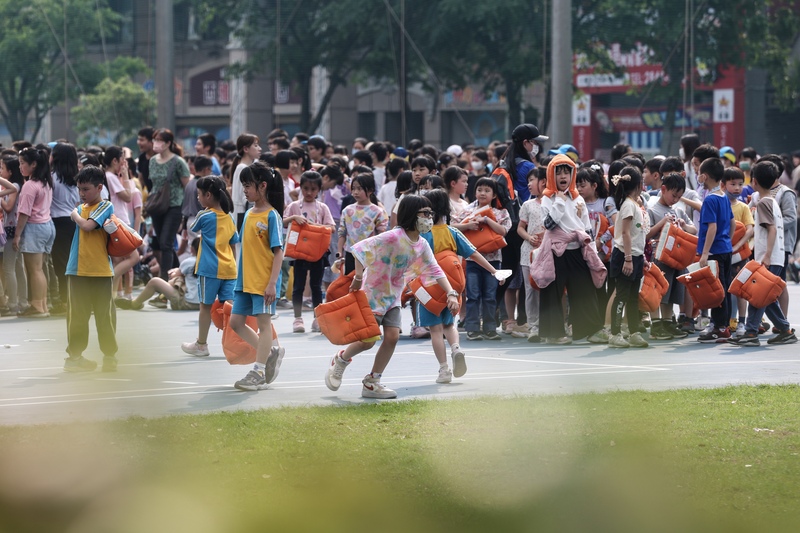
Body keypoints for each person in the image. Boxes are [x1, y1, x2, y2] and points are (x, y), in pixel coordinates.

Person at [324, 195, 460, 399]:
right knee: (368, 341)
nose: (429, 218)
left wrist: (451, 293)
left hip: (393, 297)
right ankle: (341, 360)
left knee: (392, 337)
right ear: (411, 215)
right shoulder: (393, 237)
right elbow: (360, 249)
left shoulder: (422, 244)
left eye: (430, 214)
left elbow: (435, 269)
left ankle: (372, 381)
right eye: (425, 213)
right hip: (372, 295)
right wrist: (359, 277)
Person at [418, 189, 502, 382]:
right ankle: (456, 348)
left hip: (430, 286)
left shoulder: (424, 235)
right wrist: (493, 271)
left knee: (435, 330)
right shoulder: (453, 232)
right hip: (452, 287)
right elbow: (474, 253)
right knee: (449, 324)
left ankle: (444, 369)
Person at [537, 154, 606, 344]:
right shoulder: (547, 199)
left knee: (584, 290)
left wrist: (591, 251)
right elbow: (549, 225)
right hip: (556, 251)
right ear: (551, 175)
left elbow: (587, 228)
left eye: (566, 171)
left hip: (577, 249)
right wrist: (559, 201)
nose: (562, 176)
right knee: (552, 292)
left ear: (572, 174)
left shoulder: (578, 199)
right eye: (558, 172)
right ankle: (554, 334)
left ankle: (590, 331)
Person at [231, 162, 286, 391]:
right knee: (236, 323)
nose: (244, 189)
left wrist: (272, 283)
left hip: (264, 282)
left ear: (262, 186)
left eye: (248, 185)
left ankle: (258, 371)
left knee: (264, 326)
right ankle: (270, 352)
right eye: (243, 185)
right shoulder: (248, 214)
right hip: (245, 280)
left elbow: (278, 251)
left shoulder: (272, 216)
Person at [729, 161, 797, 346]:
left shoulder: (764, 204)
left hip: (769, 257)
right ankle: (784, 330)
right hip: (773, 257)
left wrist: (766, 256)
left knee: (757, 295)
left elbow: (772, 230)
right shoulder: (770, 201)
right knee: (765, 296)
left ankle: (751, 333)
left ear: (755, 181)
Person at [176, 176, 239, 356]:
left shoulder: (204, 214)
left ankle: (201, 344)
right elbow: (233, 244)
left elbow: (192, 229)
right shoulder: (229, 217)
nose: (198, 198)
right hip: (229, 269)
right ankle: (236, 341)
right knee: (230, 306)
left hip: (209, 269)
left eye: (199, 194)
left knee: (205, 306)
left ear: (208, 195)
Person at [64, 166, 118, 372]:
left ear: (99, 187)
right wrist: (77, 212)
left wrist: (74, 214)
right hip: (77, 269)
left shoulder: (105, 206)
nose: (82, 193)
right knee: (77, 316)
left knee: (105, 316)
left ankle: (110, 356)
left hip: (101, 270)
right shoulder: (81, 208)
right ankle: (75, 357)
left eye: (86, 189)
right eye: (79, 189)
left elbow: (87, 226)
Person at [453, 177, 511, 341]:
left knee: (490, 296)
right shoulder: (467, 211)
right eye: (479, 190)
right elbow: (452, 226)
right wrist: (468, 225)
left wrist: (486, 219)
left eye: (487, 190)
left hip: (494, 260)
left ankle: (490, 328)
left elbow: (504, 231)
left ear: (494, 195)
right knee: (473, 295)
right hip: (472, 260)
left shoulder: (501, 212)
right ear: (475, 192)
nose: (482, 193)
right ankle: (472, 328)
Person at [283, 171, 335, 333]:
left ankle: (317, 318)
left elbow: (332, 227)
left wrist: (315, 227)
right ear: (300, 188)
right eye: (305, 188)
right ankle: (297, 319)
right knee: (298, 286)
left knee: (316, 285)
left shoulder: (323, 208)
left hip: (318, 253)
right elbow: (283, 222)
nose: (309, 192)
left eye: (313, 189)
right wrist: (294, 218)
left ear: (319, 190)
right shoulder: (293, 206)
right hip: (299, 251)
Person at [646, 172, 695, 340]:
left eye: (679, 197)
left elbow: (693, 229)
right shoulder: (652, 210)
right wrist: (662, 223)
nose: (675, 200)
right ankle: (656, 325)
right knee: (657, 291)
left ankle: (667, 322)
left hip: (677, 259)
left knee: (672, 291)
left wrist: (683, 225)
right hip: (659, 257)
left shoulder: (679, 211)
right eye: (673, 195)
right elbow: (647, 234)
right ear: (663, 189)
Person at [607, 167, 649, 348]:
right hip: (625, 256)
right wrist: (629, 259)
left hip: (636, 256)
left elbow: (637, 233)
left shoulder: (634, 203)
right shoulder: (628, 205)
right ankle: (615, 334)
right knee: (622, 296)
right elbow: (624, 233)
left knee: (633, 297)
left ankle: (633, 332)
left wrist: (639, 257)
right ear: (639, 185)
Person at [696, 157, 734, 343]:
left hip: (714, 251)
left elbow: (711, 227)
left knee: (716, 290)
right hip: (725, 248)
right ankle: (722, 325)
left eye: (699, 174)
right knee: (724, 288)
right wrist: (728, 240)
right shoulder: (724, 196)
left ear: (705, 176)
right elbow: (733, 223)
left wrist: (705, 253)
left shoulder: (710, 199)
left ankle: (719, 327)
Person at [14, 147, 55, 318]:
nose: (20, 167)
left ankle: (38, 305)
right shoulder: (45, 182)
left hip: (34, 228)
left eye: (22, 163)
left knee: (35, 269)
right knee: (39, 268)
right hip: (47, 226)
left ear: (34, 164)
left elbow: (24, 213)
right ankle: (42, 304)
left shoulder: (30, 185)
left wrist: (17, 235)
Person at [148, 129, 191, 282]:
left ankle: (164, 280)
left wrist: (186, 210)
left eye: (159, 140)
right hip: (157, 206)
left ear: (168, 143)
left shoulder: (178, 161)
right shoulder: (152, 161)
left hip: (174, 205)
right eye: (154, 140)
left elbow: (187, 186)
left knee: (166, 243)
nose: (156, 144)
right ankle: (179, 276)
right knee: (162, 244)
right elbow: (152, 184)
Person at [116, 237, 201, 312]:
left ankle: (135, 303)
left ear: (192, 249)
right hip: (204, 306)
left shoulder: (189, 261)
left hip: (187, 303)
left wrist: (175, 270)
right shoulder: (212, 263)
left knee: (155, 281)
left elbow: (173, 275)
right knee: (181, 278)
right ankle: (161, 298)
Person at [103, 146, 140, 300]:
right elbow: (127, 197)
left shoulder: (108, 177)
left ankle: (114, 294)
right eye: (122, 160)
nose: (124, 164)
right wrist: (125, 177)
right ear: (114, 160)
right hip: (119, 221)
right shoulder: (111, 177)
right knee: (134, 256)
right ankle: (110, 280)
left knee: (117, 259)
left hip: (115, 220)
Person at [723, 167, 755, 336]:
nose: (737, 187)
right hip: (722, 254)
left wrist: (736, 246)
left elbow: (750, 230)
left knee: (741, 290)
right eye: (732, 184)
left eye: (740, 184)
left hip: (740, 257)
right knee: (723, 289)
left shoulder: (743, 207)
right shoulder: (718, 203)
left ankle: (742, 322)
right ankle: (725, 322)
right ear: (723, 184)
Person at [48, 143, 79, 315]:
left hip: (57, 222)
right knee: (74, 262)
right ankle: (75, 299)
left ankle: (65, 300)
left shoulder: (51, 178)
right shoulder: (78, 178)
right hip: (74, 221)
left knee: (61, 264)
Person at [336, 173, 388, 275]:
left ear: (370, 190)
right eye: (353, 188)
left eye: (359, 189)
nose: (355, 192)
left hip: (369, 254)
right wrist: (339, 251)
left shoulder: (378, 212)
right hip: (350, 253)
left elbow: (381, 235)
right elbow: (342, 232)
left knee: (367, 282)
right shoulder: (347, 210)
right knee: (350, 281)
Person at [518, 167, 547, 342]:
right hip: (528, 253)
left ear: (543, 181)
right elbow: (520, 228)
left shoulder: (554, 203)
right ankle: (533, 326)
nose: (529, 184)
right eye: (528, 181)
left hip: (548, 252)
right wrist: (529, 237)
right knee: (531, 291)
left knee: (549, 290)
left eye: (532, 180)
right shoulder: (527, 205)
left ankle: (549, 324)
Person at [1, 156, 28, 315]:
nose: (1, 171)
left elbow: (9, 207)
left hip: (12, 229)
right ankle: (22, 301)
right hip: (15, 229)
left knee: (9, 268)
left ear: (10, 172)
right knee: (18, 267)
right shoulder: (18, 185)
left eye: (2, 168)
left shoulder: (16, 186)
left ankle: (13, 303)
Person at [230, 133, 262, 230]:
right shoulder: (242, 168)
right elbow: (245, 198)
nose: (259, 148)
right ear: (246, 149)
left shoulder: (247, 166)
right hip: (242, 214)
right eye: (255, 145)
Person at [136, 127, 156, 191]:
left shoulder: (160, 157)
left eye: (142, 140)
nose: (138, 142)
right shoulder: (142, 158)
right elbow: (141, 179)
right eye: (138, 139)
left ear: (151, 141)